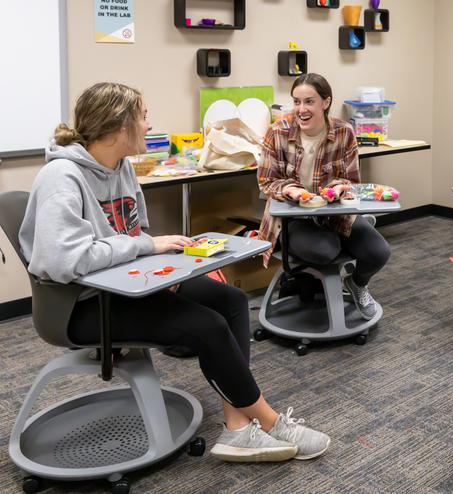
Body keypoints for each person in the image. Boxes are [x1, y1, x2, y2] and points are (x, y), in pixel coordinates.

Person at [18, 82, 330, 463]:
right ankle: (269, 422)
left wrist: (164, 269)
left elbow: (136, 235)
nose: (150, 126)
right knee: (206, 326)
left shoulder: (121, 168)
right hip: (81, 306)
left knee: (230, 300)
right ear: (118, 127)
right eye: (143, 117)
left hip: (128, 285)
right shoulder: (61, 178)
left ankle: (236, 427)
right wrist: (146, 249)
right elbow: (65, 260)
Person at [257, 73, 391, 320]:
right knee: (326, 250)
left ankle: (358, 284)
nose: (301, 109)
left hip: (334, 214)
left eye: (309, 102)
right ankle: (326, 262)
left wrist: (340, 187)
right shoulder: (277, 132)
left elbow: (351, 180)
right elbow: (267, 181)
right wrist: (291, 190)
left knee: (378, 252)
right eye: (296, 102)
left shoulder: (344, 132)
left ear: (325, 102)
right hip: (293, 219)